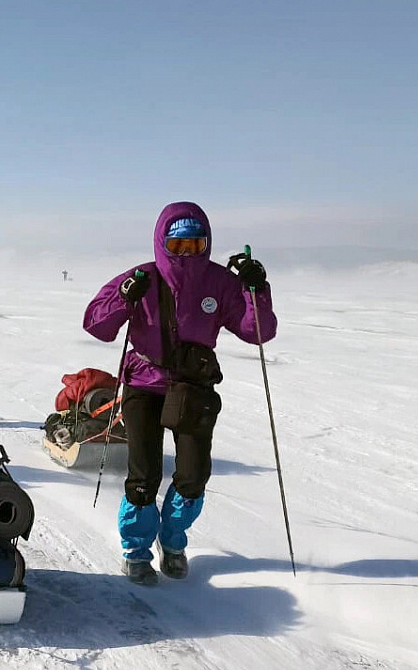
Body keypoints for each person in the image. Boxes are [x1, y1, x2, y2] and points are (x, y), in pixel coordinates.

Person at [83, 202, 276, 585]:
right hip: (143, 385)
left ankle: (173, 542)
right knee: (143, 475)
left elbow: (258, 331)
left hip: (192, 389)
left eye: (195, 244)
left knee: (193, 474)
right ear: (162, 243)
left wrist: (256, 289)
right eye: (178, 246)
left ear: (206, 244)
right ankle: (136, 550)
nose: (187, 253)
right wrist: (124, 297)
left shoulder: (219, 284)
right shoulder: (143, 277)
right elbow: (96, 324)